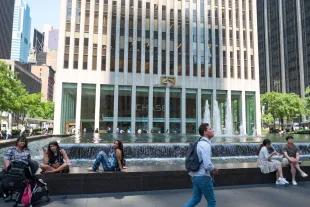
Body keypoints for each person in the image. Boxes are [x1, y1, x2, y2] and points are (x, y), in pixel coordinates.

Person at [184, 123, 217, 207]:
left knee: (196, 198)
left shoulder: (199, 143)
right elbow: (207, 165)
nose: (212, 130)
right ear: (205, 132)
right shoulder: (205, 145)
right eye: (210, 129)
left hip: (195, 176)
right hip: (203, 177)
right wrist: (214, 168)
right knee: (212, 201)